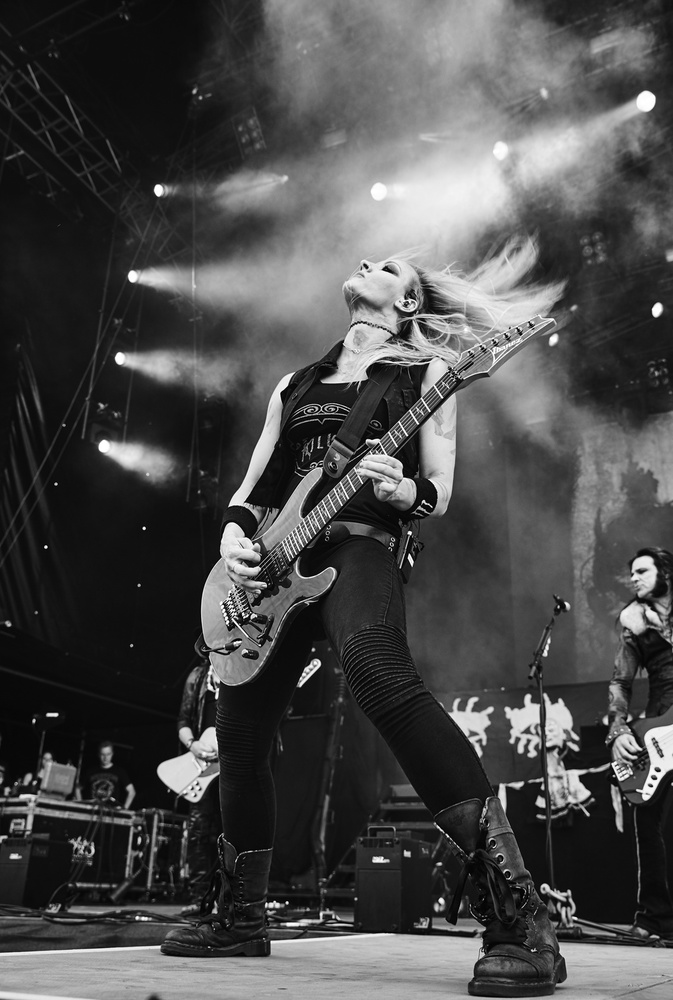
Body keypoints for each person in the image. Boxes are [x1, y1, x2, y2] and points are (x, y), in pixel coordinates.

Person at [161, 239, 567, 996]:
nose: (367, 263)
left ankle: (520, 923)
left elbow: (436, 491)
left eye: (388, 266)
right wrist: (233, 538)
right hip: (272, 571)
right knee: (240, 739)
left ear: (407, 302)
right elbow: (254, 486)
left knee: (380, 678)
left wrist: (396, 488)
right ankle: (239, 918)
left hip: (358, 547)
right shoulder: (296, 383)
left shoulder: (428, 373)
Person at [606, 546, 673, 943]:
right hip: (661, 728)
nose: (634, 578)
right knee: (647, 822)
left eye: (643, 571)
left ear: (665, 572)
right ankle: (653, 919)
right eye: (631, 573)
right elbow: (621, 682)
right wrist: (619, 731)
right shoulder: (633, 622)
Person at [177, 641, 222, 909]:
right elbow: (183, 721)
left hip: (232, 764)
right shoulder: (198, 677)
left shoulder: (242, 671)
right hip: (203, 765)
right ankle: (199, 899)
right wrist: (193, 744)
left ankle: (229, 900)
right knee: (198, 830)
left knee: (230, 830)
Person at [76, 740, 136, 809]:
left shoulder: (120, 771)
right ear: (99, 755)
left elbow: (132, 791)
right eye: (103, 754)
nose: (105, 758)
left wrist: (124, 809)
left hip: (111, 811)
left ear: (112, 754)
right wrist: (81, 806)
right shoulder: (90, 771)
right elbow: (77, 789)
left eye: (108, 754)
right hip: (93, 810)